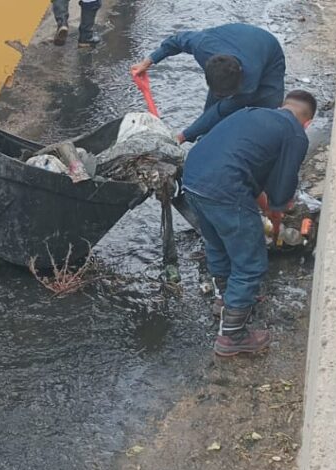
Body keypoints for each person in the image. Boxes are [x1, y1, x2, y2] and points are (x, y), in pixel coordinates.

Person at [182, 90, 316, 357]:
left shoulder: (251, 114)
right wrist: (276, 218)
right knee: (251, 263)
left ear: (282, 106)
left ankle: (224, 301)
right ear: (308, 123)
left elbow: (250, 174)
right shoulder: (295, 135)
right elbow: (281, 191)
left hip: (192, 178)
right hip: (224, 188)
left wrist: (269, 209)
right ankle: (232, 336)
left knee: (218, 244)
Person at [130, 23, 285, 144]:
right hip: (232, 39)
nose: (223, 97)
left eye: (227, 94)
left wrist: (182, 136)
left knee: (265, 117)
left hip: (268, 52)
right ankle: (205, 140)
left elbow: (220, 111)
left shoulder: (249, 81)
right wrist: (148, 61)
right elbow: (176, 40)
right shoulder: (201, 46)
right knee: (211, 116)